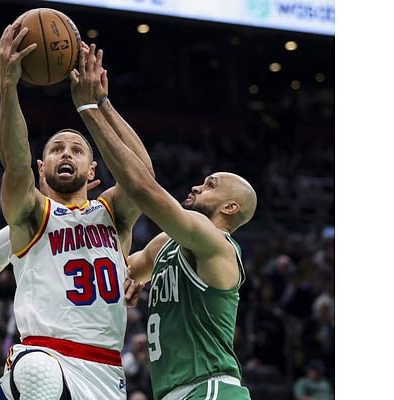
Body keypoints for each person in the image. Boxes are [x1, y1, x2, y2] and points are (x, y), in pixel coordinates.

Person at [70, 43, 257, 400]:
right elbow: (121, 268)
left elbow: (142, 186)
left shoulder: (214, 242)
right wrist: (105, 104)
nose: (197, 186)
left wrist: (88, 108)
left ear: (230, 207)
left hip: (211, 388)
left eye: (210, 185)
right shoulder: (164, 246)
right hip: (174, 392)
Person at [0, 22, 150, 400]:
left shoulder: (113, 212)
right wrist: (8, 87)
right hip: (45, 355)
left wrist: (101, 105)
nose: (66, 153)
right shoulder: (31, 214)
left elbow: (142, 177)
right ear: (41, 168)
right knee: (33, 370)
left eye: (77, 150)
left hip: (106, 369)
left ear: (92, 170)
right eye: (56, 149)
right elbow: (15, 164)